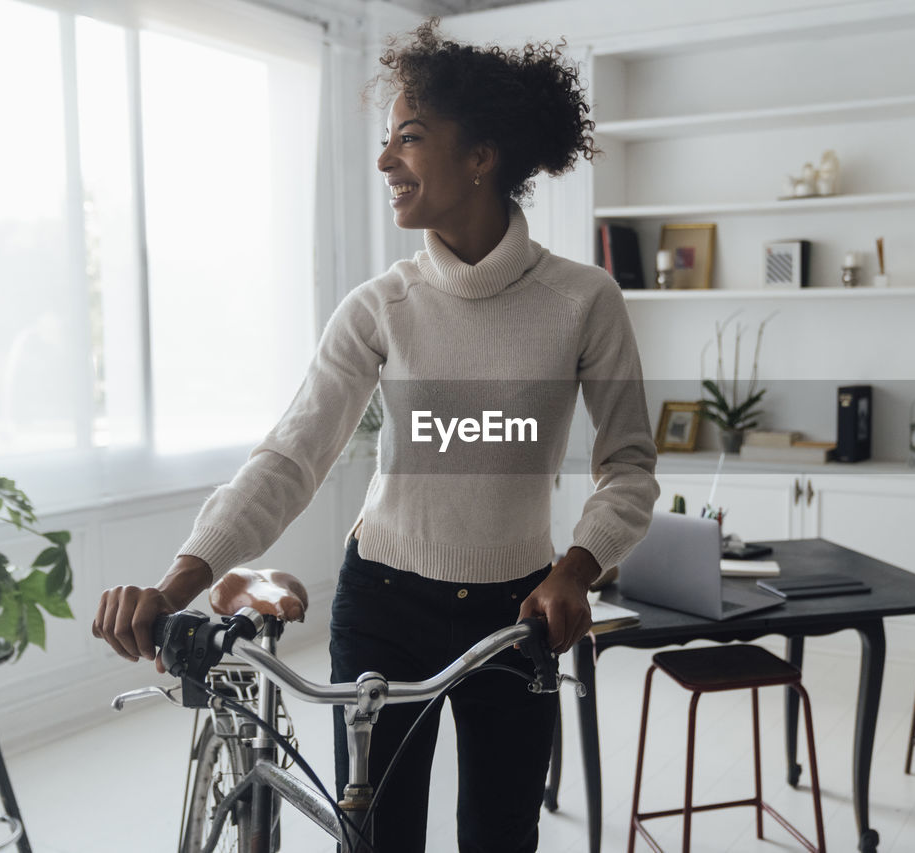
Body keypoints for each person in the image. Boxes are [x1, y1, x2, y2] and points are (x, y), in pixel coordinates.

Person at [91, 20, 659, 853]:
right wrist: (177, 582)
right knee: (379, 838)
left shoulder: (584, 300)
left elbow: (630, 467)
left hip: (520, 611)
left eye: (410, 139)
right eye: (385, 140)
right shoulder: (381, 305)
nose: (386, 159)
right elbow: (291, 457)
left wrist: (576, 567)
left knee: (502, 836)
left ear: (481, 156)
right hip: (385, 604)